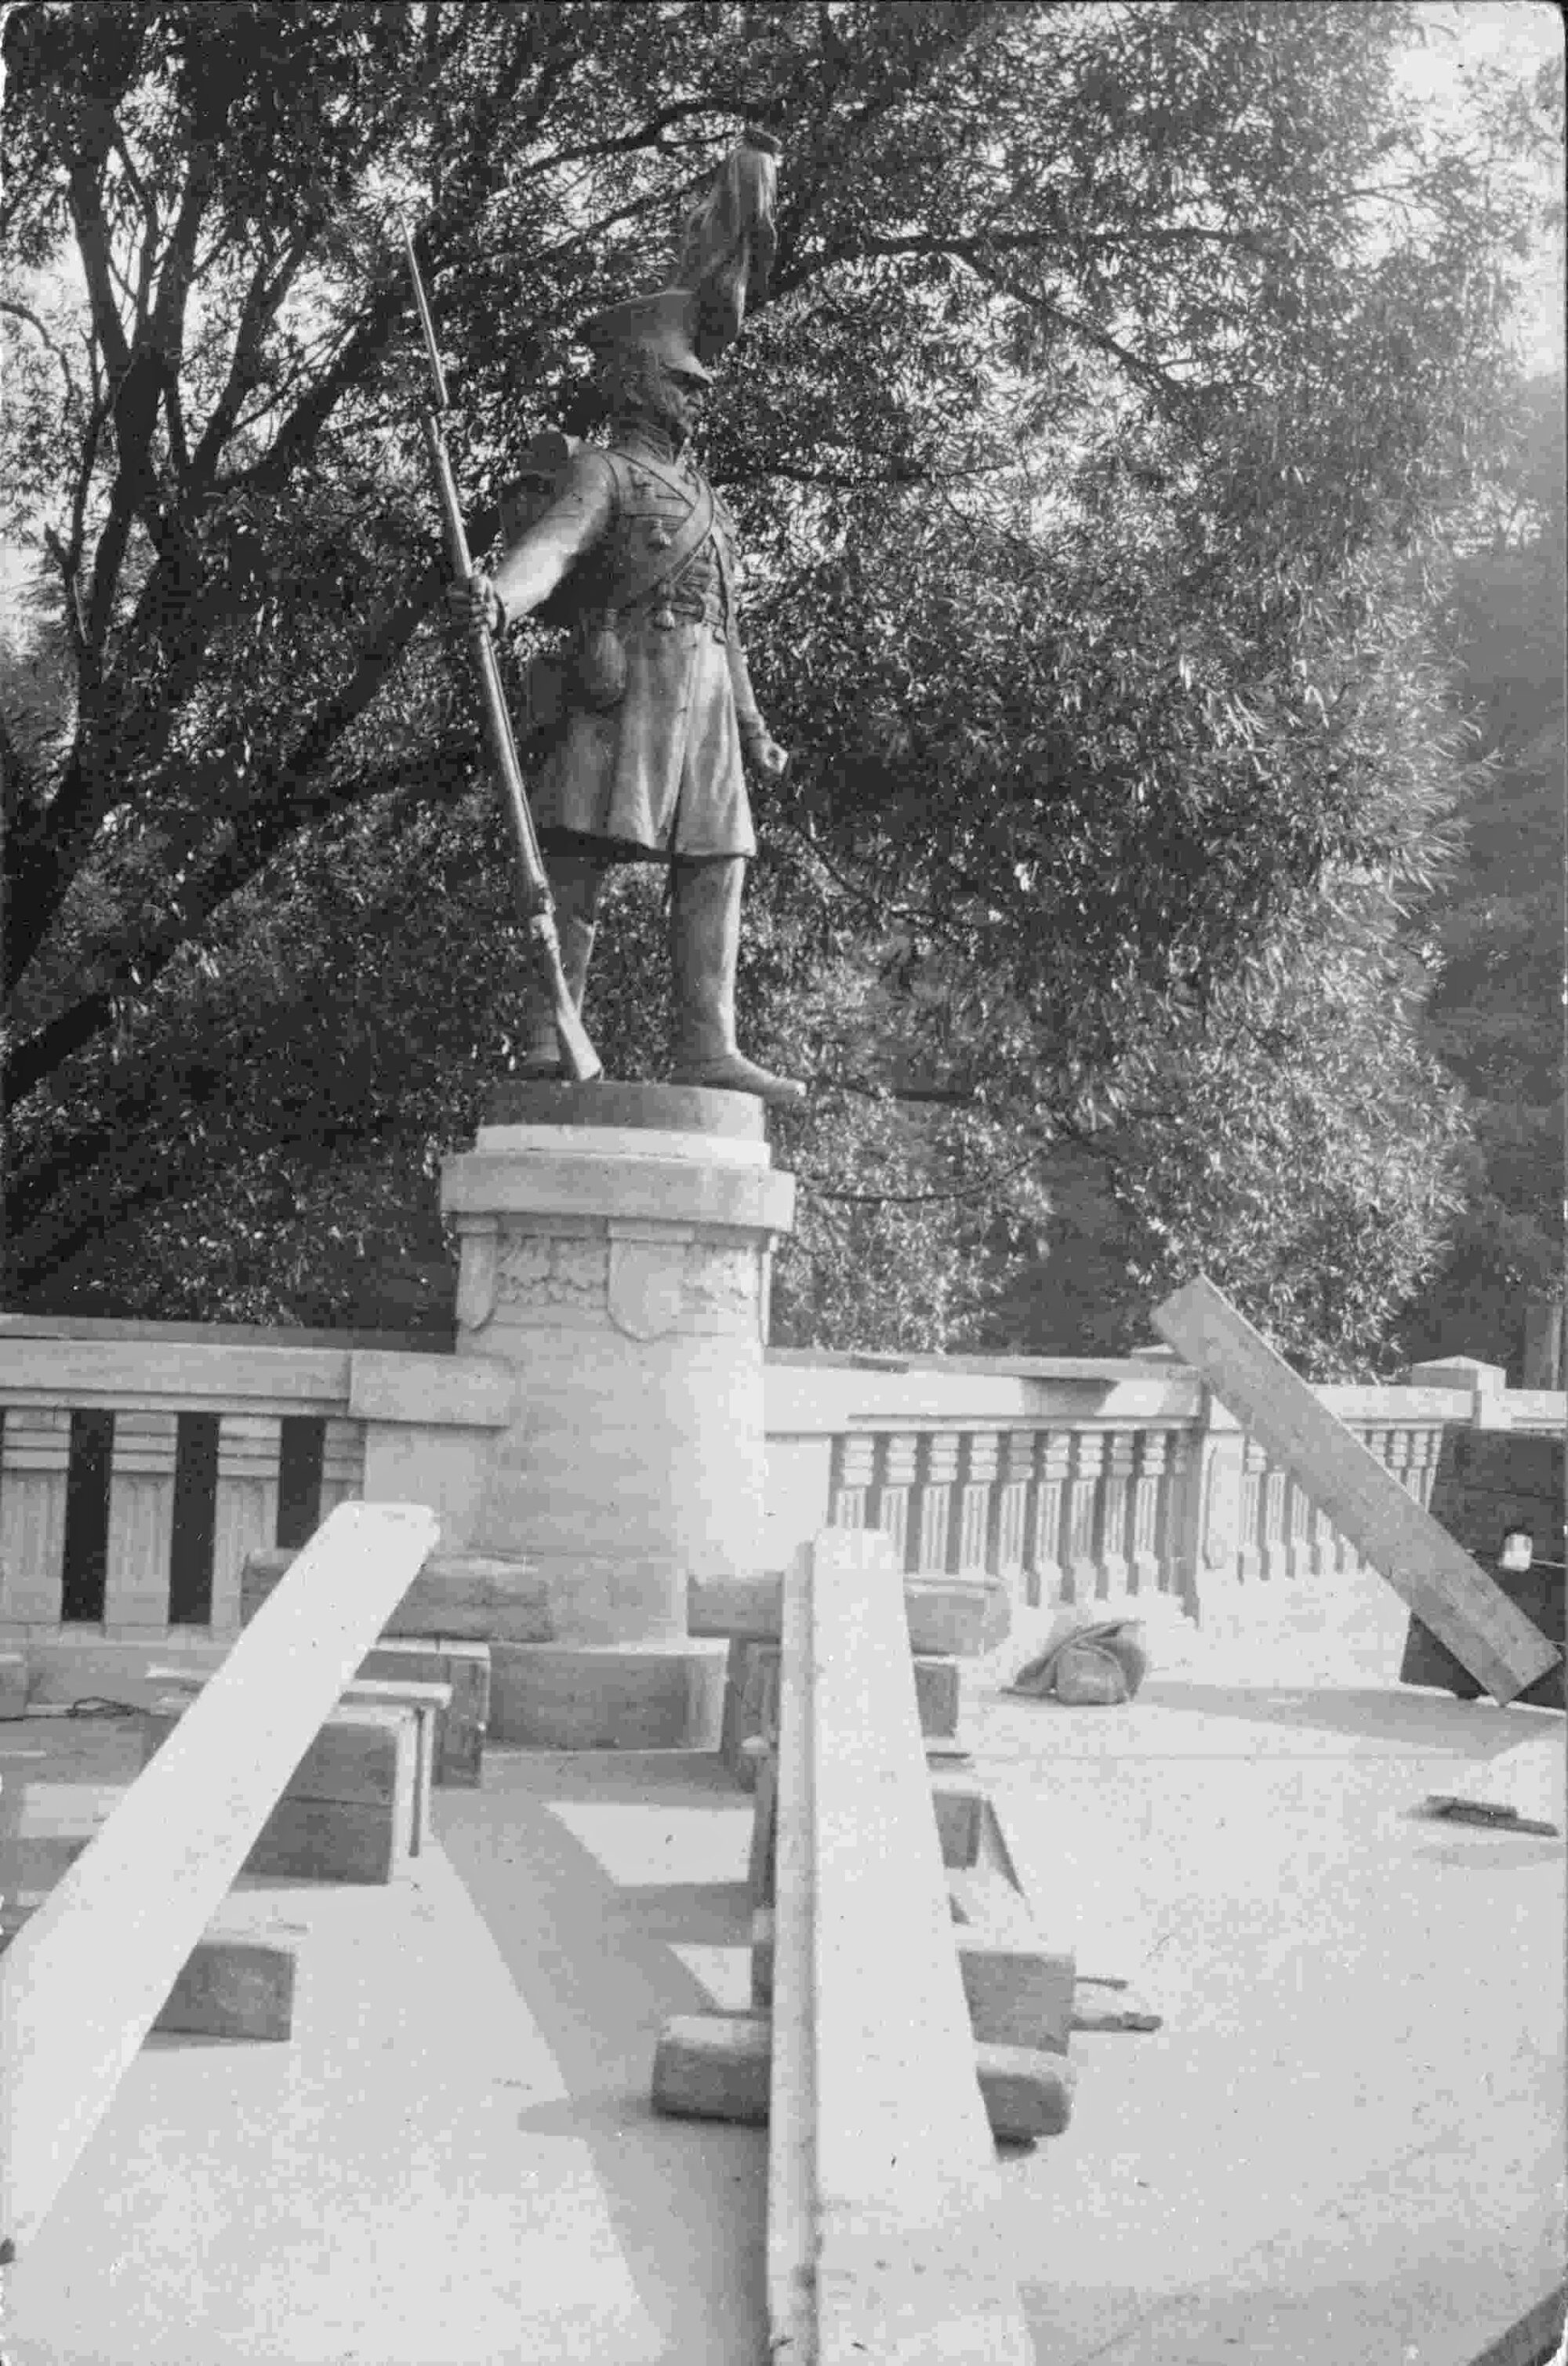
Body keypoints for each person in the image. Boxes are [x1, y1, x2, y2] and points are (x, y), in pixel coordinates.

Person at [452, 284, 803, 1108]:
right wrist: (501, 596)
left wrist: (752, 728)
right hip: (626, 689)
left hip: (708, 705)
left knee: (720, 861)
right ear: (638, 379)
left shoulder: (710, 503)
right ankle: (549, 1028)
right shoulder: (600, 470)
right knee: (577, 852)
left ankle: (707, 1043)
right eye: (680, 380)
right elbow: (553, 548)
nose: (695, 396)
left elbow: (727, 625)